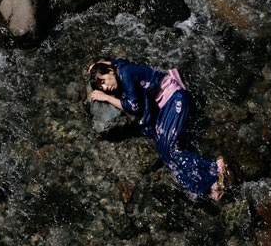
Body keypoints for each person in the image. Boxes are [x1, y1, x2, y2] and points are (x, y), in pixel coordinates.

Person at [88, 58, 228, 201]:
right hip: (167, 105)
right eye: (101, 87)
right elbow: (120, 61)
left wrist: (107, 98)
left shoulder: (126, 73)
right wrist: (97, 67)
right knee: (164, 152)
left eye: (103, 81)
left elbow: (135, 107)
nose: (105, 87)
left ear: (110, 71)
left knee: (171, 148)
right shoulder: (119, 68)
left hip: (176, 99)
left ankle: (214, 169)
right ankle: (203, 186)